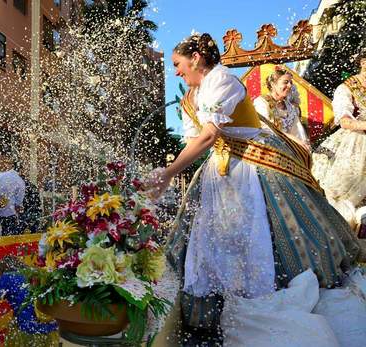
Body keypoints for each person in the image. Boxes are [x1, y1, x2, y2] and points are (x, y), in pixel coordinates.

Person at [142, 34, 362, 343]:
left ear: (195, 58)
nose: (175, 72)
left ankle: (272, 294)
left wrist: (168, 173)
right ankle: (221, 304)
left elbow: (209, 135)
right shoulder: (189, 98)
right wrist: (170, 171)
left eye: (178, 64)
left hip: (255, 163)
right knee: (213, 237)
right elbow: (196, 140)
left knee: (269, 227)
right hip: (220, 171)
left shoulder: (222, 79)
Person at [312, 51, 366, 231]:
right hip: (357, 143)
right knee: (345, 193)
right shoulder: (347, 88)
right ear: (363, 62)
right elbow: (344, 121)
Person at [0, 256, 58, 346]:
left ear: (3, 268)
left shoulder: (7, 277)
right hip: (51, 329)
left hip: (27, 331)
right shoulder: (34, 272)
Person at [253, 65, 310, 150]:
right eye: (285, 82)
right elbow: (267, 130)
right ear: (273, 84)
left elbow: (298, 132)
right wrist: (294, 140)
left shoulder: (290, 107)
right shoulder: (262, 102)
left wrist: (303, 145)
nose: (290, 85)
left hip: (290, 149)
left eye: (291, 82)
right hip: (267, 149)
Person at [0, 152, 25, 236]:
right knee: (8, 238)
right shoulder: (20, 181)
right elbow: (18, 202)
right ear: (20, 169)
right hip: (10, 214)